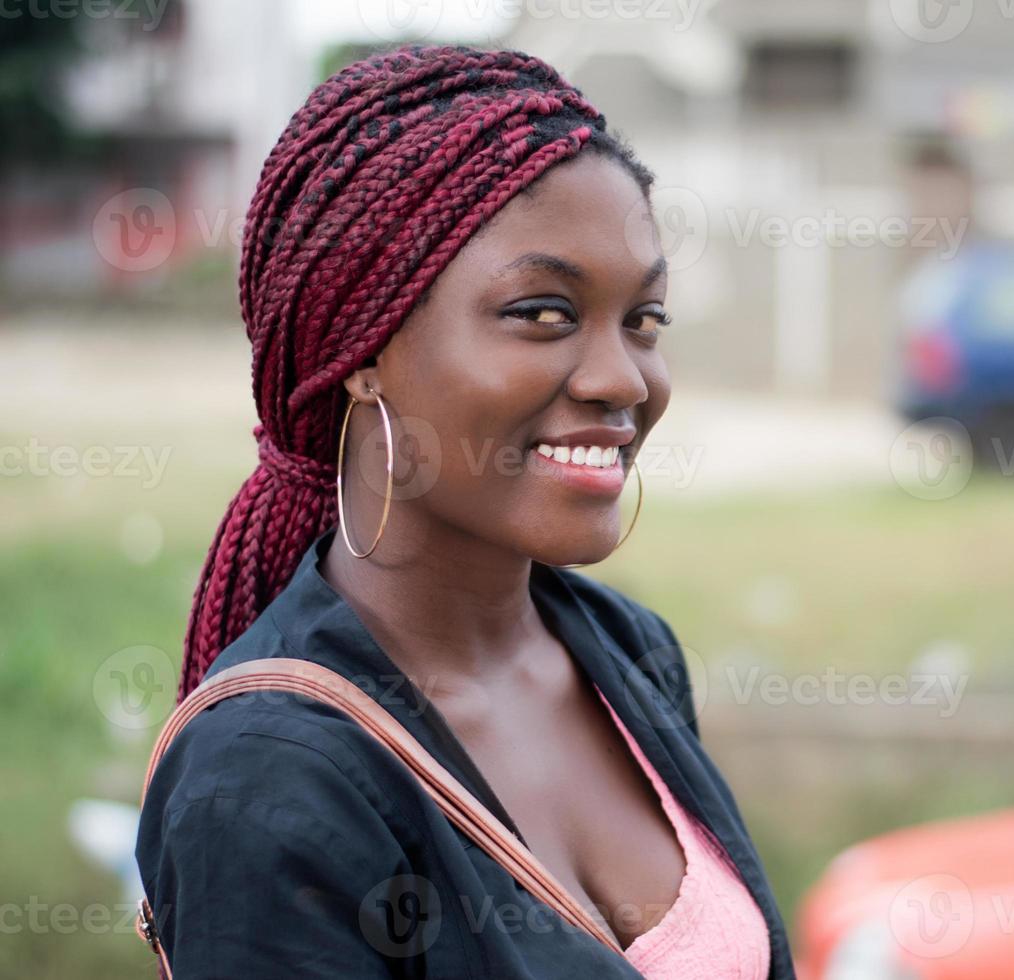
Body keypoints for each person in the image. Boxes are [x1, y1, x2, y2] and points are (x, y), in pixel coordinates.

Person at [134, 43, 791, 979]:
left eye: (643, 319)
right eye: (544, 312)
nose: (623, 380)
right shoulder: (272, 777)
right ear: (362, 343)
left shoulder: (627, 652)